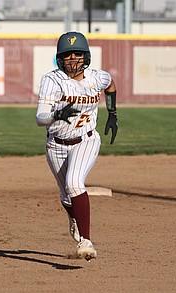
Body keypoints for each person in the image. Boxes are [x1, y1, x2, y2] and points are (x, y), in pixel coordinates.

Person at [35, 31, 118, 261]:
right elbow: (40, 118)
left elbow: (110, 83)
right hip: (56, 144)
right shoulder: (52, 80)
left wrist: (112, 112)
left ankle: (86, 240)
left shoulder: (96, 77)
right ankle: (73, 217)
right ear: (59, 58)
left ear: (86, 56)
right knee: (65, 195)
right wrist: (56, 115)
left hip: (87, 139)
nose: (73, 58)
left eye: (78, 53)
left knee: (74, 183)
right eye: (68, 54)